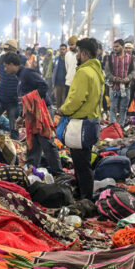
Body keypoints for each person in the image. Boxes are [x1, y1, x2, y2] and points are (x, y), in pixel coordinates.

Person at [59, 37, 105, 200]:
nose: (76, 55)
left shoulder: (84, 72)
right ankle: (82, 193)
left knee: (81, 164)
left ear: (84, 53)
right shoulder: (96, 70)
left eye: (78, 52)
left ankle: (85, 197)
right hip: (92, 121)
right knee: (83, 161)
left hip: (80, 123)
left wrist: (63, 110)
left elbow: (76, 99)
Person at [5, 52, 64, 176]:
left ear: (12, 65)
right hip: (33, 115)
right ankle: (33, 170)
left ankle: (58, 173)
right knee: (34, 143)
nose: (5, 69)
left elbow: (43, 86)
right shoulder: (19, 76)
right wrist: (22, 116)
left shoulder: (27, 73)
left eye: (6, 66)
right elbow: (25, 100)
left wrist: (33, 101)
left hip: (42, 112)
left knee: (46, 142)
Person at [0, 39, 26, 139]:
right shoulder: (1, 58)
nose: (5, 52)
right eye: (4, 50)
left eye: (7, 50)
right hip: (0, 97)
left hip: (13, 100)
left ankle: (14, 149)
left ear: (15, 50)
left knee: (13, 127)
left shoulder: (23, 60)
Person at [104, 39, 135, 125]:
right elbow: (107, 71)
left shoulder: (130, 58)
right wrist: (114, 78)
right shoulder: (110, 58)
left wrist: (128, 78)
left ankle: (121, 126)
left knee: (123, 108)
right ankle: (113, 126)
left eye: (117, 46)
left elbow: (134, 70)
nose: (115, 48)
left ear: (122, 47)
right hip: (114, 87)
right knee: (113, 108)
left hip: (125, 88)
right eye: (114, 46)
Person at [52, 43, 68, 110]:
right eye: (61, 49)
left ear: (66, 50)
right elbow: (53, 69)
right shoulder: (56, 59)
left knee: (64, 100)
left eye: (63, 49)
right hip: (57, 83)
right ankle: (57, 116)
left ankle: (63, 116)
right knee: (58, 100)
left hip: (65, 83)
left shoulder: (68, 60)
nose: (62, 51)